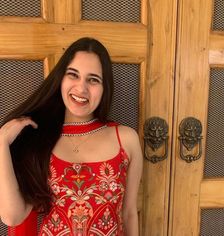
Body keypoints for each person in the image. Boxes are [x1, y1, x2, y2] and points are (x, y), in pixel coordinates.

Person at [0, 37, 143, 236]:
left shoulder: (126, 140)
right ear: (61, 79)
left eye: (93, 79)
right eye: (73, 75)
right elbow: (12, 217)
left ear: (104, 88)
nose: (81, 88)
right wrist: (2, 143)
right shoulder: (39, 140)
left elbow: (128, 213)